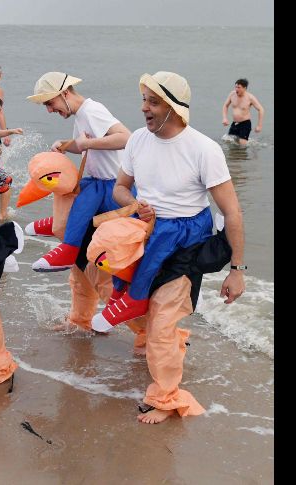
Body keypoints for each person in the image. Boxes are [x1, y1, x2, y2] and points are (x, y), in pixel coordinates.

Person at [97, 71, 246, 424]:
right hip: (145, 235)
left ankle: (166, 397)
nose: (144, 108)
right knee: (112, 287)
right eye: (144, 100)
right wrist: (136, 204)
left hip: (186, 243)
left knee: (162, 319)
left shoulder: (203, 149)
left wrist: (237, 270)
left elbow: (232, 211)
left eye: (153, 102)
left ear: (174, 108)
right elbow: (120, 189)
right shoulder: (137, 140)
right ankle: (161, 342)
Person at [27, 72, 132, 274]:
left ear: (65, 93)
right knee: (71, 191)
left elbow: (126, 138)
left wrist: (86, 144)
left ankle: (68, 250)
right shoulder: (81, 115)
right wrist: (66, 144)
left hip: (112, 184)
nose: (49, 110)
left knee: (83, 200)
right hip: (99, 181)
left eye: (50, 103)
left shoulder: (92, 110)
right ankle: (59, 223)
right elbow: (84, 145)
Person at [222, 78, 265, 146]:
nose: (236, 89)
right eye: (236, 87)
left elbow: (261, 109)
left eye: (239, 87)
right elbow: (225, 105)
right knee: (230, 143)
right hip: (235, 124)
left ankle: (244, 152)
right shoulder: (232, 94)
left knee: (242, 145)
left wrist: (259, 125)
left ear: (244, 88)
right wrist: (225, 118)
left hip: (245, 124)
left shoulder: (250, 97)